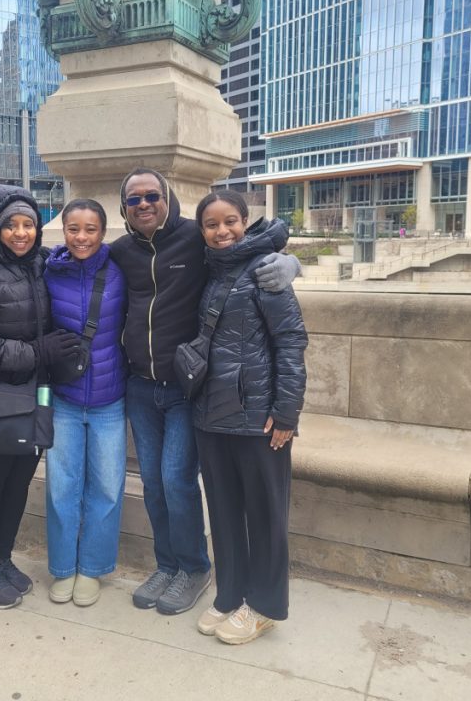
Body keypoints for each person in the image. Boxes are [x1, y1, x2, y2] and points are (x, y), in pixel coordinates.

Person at [109, 168, 302, 616]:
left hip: (186, 388)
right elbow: (75, 263)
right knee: (154, 484)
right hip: (140, 385)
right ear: (124, 208)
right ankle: (168, 564)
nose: (144, 204)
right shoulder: (119, 252)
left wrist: (291, 263)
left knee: (177, 480)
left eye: (152, 195)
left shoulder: (196, 237)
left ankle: (194, 569)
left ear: (168, 198)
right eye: (134, 199)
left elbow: (248, 242)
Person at [0, 184, 80, 609]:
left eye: (29, 225)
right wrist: (37, 352)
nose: (21, 233)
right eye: (11, 226)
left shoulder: (42, 264)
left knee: (20, 481)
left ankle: (3, 559)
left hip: (31, 394)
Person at [191, 189, 307, 645]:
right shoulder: (211, 271)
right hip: (211, 415)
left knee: (264, 515)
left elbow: (291, 344)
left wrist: (286, 414)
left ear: (246, 221)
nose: (222, 231)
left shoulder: (267, 273)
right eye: (212, 224)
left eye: (231, 221)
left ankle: (264, 605)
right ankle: (231, 593)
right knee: (221, 512)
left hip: (259, 419)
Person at [43, 199, 128, 607]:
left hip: (110, 398)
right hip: (64, 398)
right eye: (73, 229)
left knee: (108, 488)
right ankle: (62, 568)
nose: (81, 237)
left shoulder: (120, 270)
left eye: (90, 229)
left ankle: (92, 568)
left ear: (103, 231)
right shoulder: (47, 272)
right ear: (63, 231)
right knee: (62, 488)